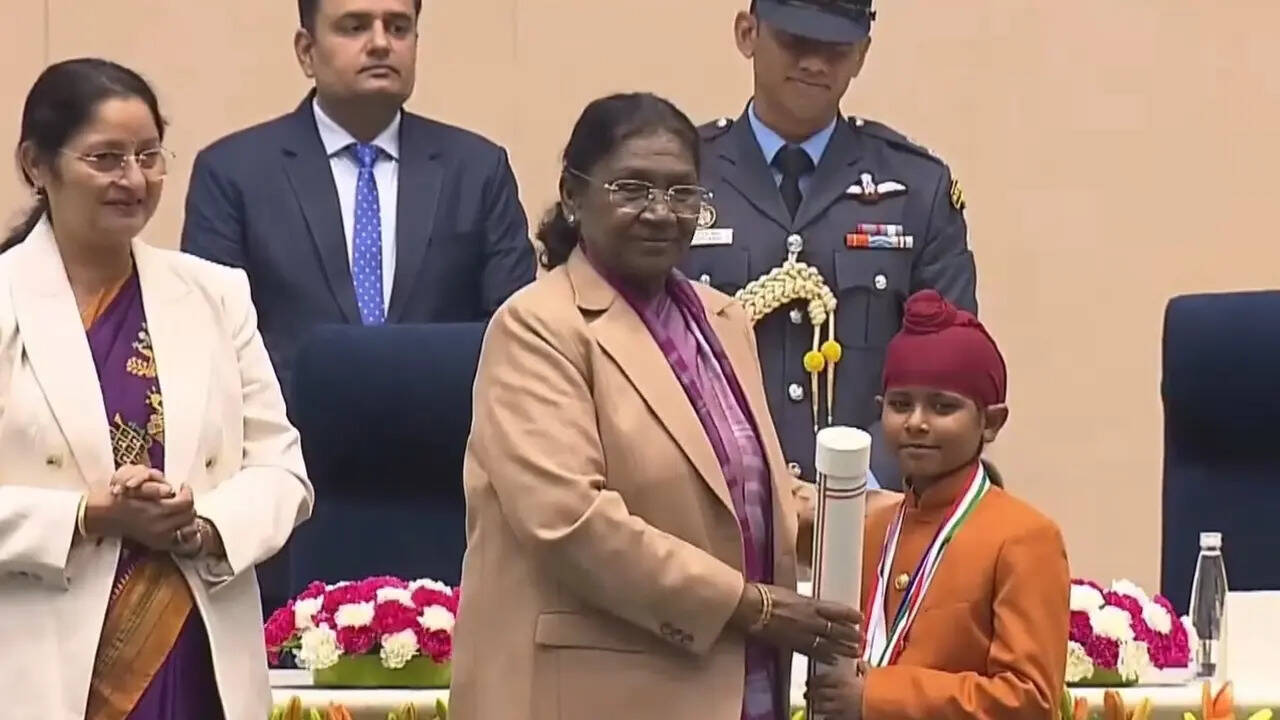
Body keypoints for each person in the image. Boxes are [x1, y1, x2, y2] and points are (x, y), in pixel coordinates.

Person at [450, 93, 865, 720]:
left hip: (739, 683)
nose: (661, 212)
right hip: (596, 693)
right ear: (572, 195)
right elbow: (571, 523)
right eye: (632, 189)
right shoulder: (537, 327)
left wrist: (903, 518)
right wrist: (754, 608)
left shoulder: (722, 320)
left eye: (682, 193)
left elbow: (752, 492)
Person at [181, 0, 534, 612]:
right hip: (291, 488)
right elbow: (212, 342)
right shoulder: (233, 172)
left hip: (450, 493)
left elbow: (517, 333)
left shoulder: (477, 168)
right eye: (354, 27)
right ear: (306, 50)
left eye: (398, 27)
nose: (380, 43)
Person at [0, 59, 313, 719]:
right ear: (36, 164)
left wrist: (204, 524)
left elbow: (281, 469)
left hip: (195, 649)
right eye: (106, 159)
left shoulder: (214, 294)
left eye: (149, 155)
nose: (135, 180)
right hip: (41, 662)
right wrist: (86, 514)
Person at [684, 0, 978, 491]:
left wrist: (857, 482)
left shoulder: (914, 188)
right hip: (711, 498)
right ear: (748, 34)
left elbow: (949, 365)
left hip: (874, 505)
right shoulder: (682, 177)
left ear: (861, 54)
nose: (815, 63)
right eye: (796, 41)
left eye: (836, 49)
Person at [806, 289, 1069, 719]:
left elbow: (1030, 699)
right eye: (900, 405)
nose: (916, 422)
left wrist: (877, 696)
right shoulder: (871, 528)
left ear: (991, 422)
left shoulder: (1024, 537)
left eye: (943, 407)